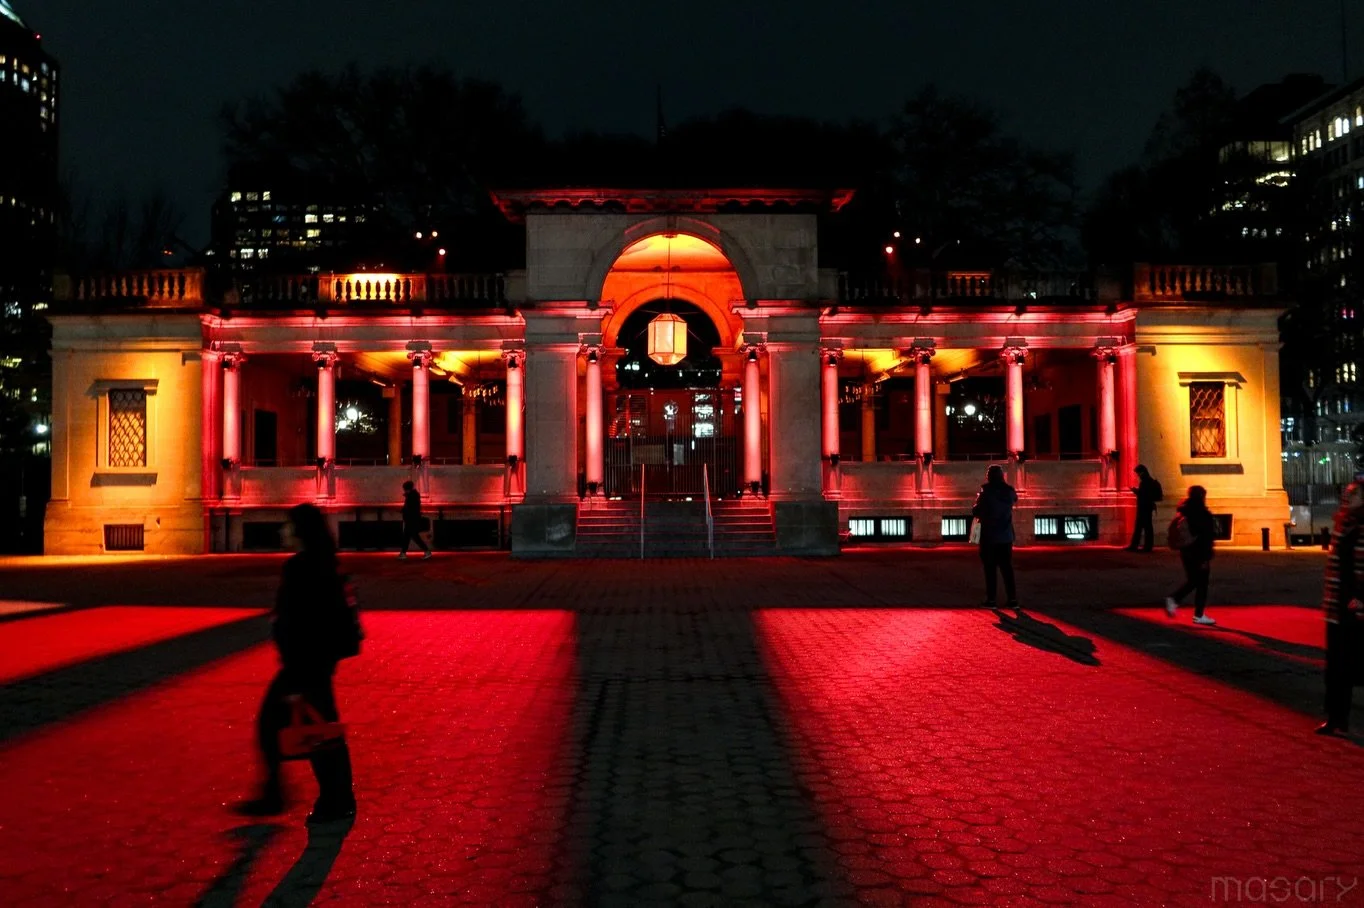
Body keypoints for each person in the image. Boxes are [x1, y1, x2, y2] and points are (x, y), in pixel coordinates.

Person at [238, 503, 357, 824]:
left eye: (288, 525)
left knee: (289, 728)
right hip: (317, 662)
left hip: (302, 664)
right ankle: (327, 798)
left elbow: (296, 620)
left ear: (300, 531)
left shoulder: (301, 567)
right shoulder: (325, 562)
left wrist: (293, 665)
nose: (283, 530)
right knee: (319, 729)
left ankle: (317, 799)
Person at [1318, 482, 1364, 736]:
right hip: (1335, 608)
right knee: (1334, 666)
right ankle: (1336, 719)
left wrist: (1361, 600)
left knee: (1349, 665)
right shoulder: (1342, 524)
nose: (1347, 496)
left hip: (1353, 609)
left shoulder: (1360, 527)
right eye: (1346, 493)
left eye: (1354, 494)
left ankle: (1339, 718)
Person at [1164, 485, 1217, 625]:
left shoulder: (1184, 510)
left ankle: (1176, 601)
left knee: (1194, 580)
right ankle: (1196, 613)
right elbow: (1206, 537)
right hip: (1199, 552)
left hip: (1186, 551)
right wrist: (1206, 557)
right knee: (1201, 583)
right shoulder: (1203, 514)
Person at [973, 464, 1019, 609]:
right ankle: (1012, 600)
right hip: (1005, 535)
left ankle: (992, 600)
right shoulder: (1009, 491)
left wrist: (978, 501)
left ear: (989, 477)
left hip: (990, 536)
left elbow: (976, 511)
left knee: (990, 569)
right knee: (1007, 569)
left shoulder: (986, 492)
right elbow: (1014, 499)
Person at [1124, 464, 1162, 552]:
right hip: (1147, 507)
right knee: (1145, 527)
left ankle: (1138, 546)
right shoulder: (1148, 481)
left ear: (1142, 472)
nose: (1138, 475)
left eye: (1138, 473)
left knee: (1142, 527)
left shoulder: (1145, 482)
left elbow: (1144, 495)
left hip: (1144, 507)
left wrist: (1136, 491)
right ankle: (1143, 546)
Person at [399, 480, 431, 560]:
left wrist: (403, 511)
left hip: (411, 520)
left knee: (412, 536)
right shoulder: (414, 495)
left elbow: (409, 508)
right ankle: (403, 553)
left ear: (407, 489)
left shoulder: (411, 496)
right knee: (409, 536)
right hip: (413, 519)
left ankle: (426, 551)